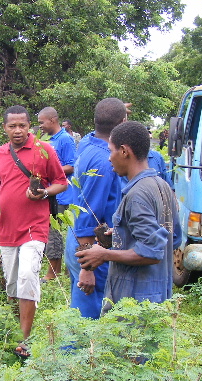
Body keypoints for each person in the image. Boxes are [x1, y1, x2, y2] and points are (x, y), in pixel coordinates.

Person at [0, 105, 67, 358]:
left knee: (27, 278)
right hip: (7, 229)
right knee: (12, 284)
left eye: (22, 125)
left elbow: (61, 182)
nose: (18, 130)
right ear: (5, 128)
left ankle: (25, 340)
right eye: (13, 126)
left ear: (29, 126)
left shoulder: (44, 150)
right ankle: (15, 327)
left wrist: (44, 192)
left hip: (35, 227)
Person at [76, 121, 181, 313]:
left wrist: (104, 254)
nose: (109, 159)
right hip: (159, 297)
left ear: (124, 151)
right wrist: (122, 234)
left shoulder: (137, 195)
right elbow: (172, 238)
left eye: (111, 151)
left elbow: (151, 250)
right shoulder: (162, 186)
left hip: (134, 302)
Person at [64, 98, 127, 319]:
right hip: (91, 246)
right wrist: (88, 267)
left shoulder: (88, 143)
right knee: (88, 319)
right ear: (122, 123)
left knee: (81, 310)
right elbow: (89, 214)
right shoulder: (105, 162)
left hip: (78, 241)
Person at [38, 107, 77, 282]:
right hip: (51, 194)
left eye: (42, 122)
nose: (40, 126)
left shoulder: (65, 140)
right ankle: (58, 269)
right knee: (51, 232)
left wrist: (50, 172)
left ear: (52, 120)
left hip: (63, 195)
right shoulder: (49, 140)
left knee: (54, 233)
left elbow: (71, 166)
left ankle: (53, 272)